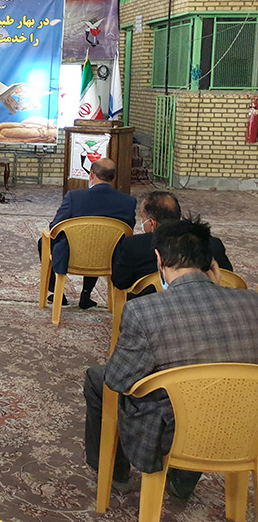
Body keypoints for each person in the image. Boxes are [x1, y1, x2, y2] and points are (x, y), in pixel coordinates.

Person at [83, 217, 258, 500]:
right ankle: (183, 483)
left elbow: (117, 380)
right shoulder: (253, 303)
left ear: (159, 259)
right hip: (244, 426)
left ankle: (114, 472)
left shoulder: (143, 311)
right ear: (211, 263)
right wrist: (217, 288)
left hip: (172, 432)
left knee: (97, 378)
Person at [40, 158, 136, 309]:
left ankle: (57, 292)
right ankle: (86, 294)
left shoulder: (74, 197)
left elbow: (54, 228)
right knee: (100, 242)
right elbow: (128, 231)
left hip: (72, 256)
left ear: (91, 175)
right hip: (108, 256)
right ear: (113, 178)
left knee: (43, 242)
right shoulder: (128, 202)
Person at [112, 191, 233, 292]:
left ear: (152, 223)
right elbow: (229, 280)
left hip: (149, 307)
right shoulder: (213, 244)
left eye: (142, 217)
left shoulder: (134, 245)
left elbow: (120, 282)